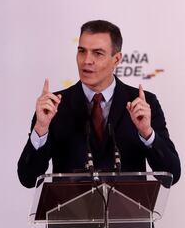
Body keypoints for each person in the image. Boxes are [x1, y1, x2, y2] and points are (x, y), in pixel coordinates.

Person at [18, 20, 181, 189]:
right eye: (82, 51)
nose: (86, 60)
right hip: (71, 213)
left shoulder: (143, 103)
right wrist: (41, 129)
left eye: (97, 53)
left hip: (126, 213)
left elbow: (171, 174)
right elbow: (28, 178)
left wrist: (147, 133)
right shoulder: (54, 105)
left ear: (116, 59)